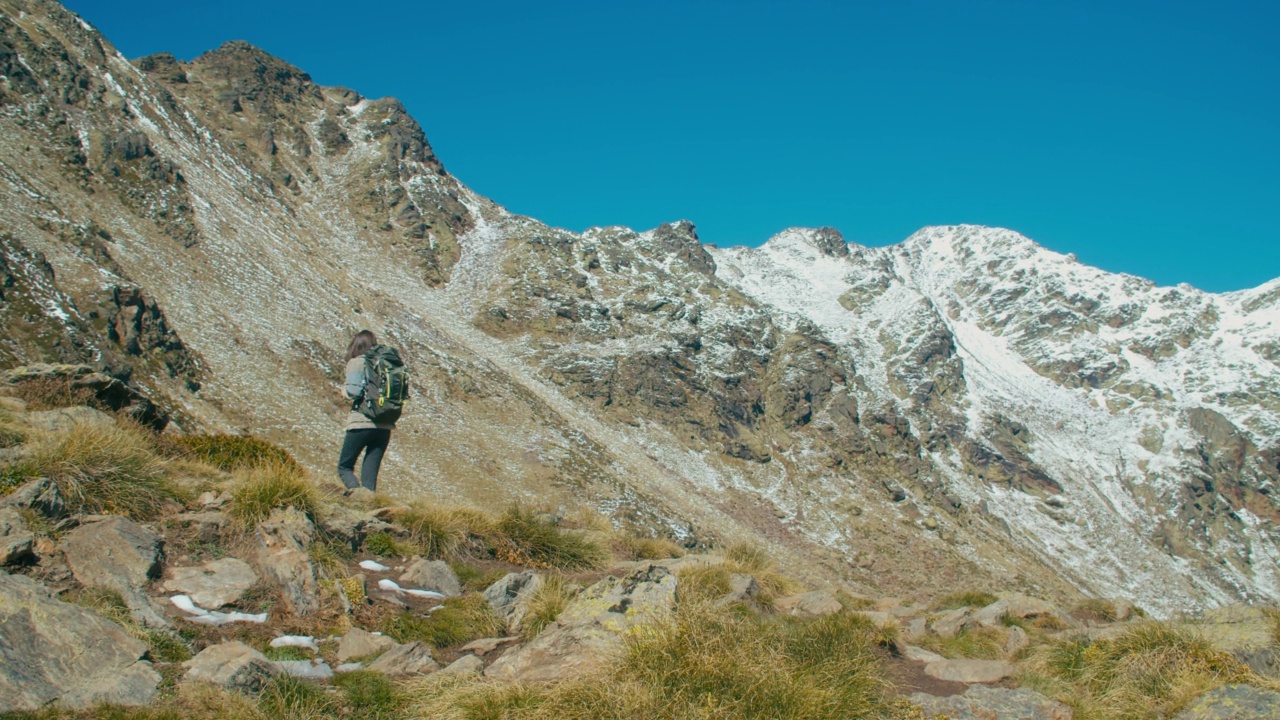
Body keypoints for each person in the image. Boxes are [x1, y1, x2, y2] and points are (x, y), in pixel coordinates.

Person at [338, 330, 398, 493]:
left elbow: (354, 392)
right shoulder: (387, 364)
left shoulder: (357, 362)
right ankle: (368, 502)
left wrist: (344, 391)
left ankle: (358, 498)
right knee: (369, 478)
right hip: (385, 425)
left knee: (344, 467)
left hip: (361, 423)